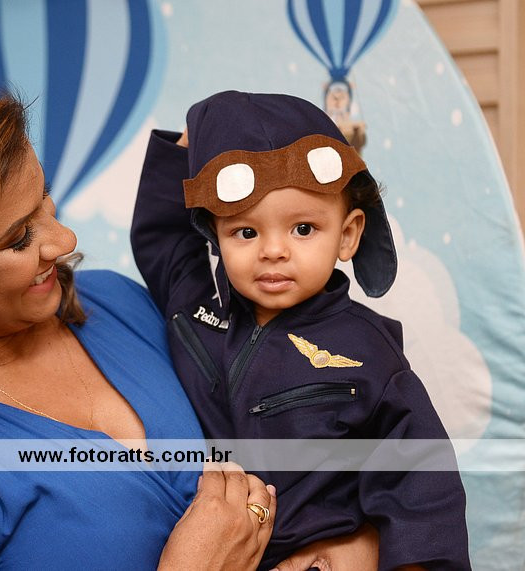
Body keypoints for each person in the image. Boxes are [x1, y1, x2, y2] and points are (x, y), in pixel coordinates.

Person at [0, 82, 377, 570]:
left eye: (45, 200)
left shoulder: (121, 306)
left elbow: (324, 418)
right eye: (18, 238)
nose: (63, 240)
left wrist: (356, 542)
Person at [131, 90, 471, 570]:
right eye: (246, 232)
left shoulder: (366, 349)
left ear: (347, 234)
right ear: (214, 235)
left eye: (303, 229)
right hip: (217, 551)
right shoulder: (196, 308)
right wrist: (179, 153)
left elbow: (420, 478)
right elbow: (161, 238)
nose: (273, 250)